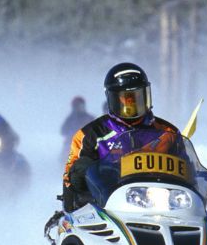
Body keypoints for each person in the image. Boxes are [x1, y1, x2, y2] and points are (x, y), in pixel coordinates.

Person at [63, 62, 179, 211]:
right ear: (113, 99)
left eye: (138, 97)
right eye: (126, 99)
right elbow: (70, 177)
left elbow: (188, 171)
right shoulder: (90, 134)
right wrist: (79, 185)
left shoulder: (168, 132)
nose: (132, 105)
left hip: (161, 204)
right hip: (108, 206)